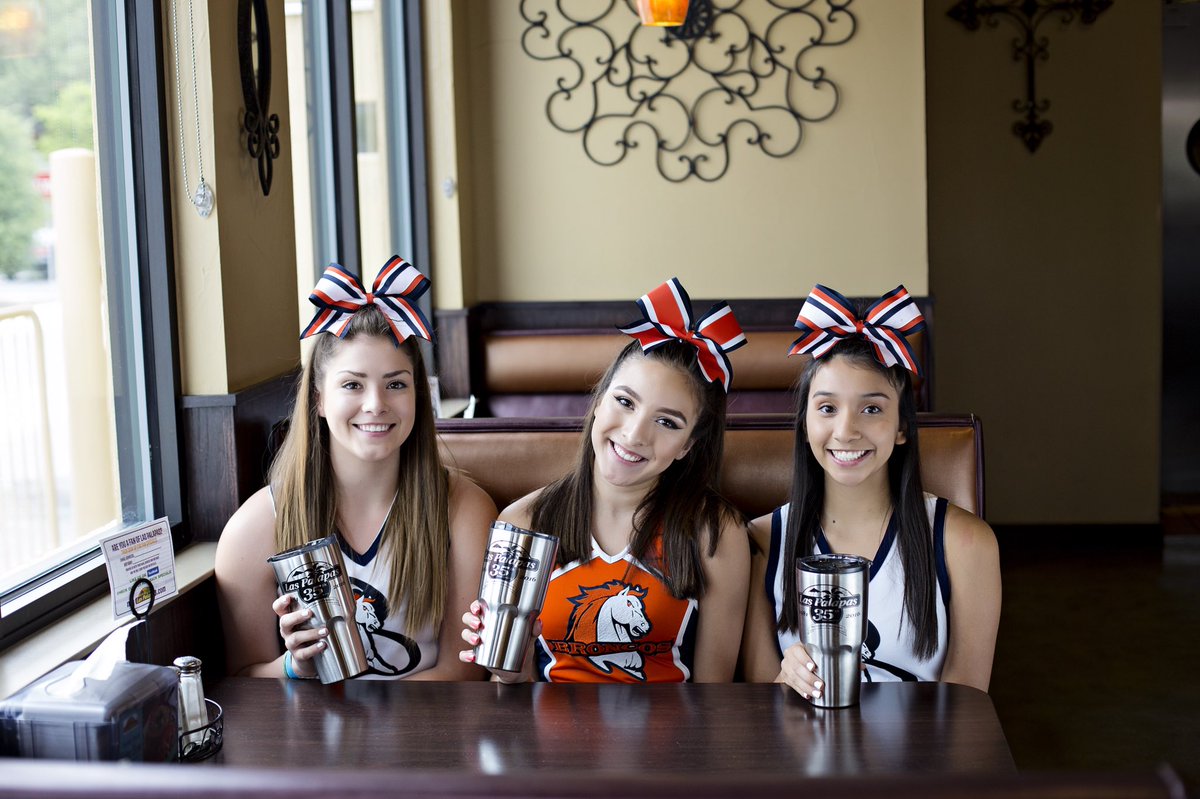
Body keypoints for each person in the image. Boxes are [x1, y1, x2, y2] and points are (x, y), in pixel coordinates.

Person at [215, 257, 495, 680]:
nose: (376, 404)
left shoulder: (465, 510)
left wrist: (379, 740)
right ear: (319, 400)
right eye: (352, 384)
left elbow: (464, 672)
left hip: (427, 739)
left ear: (419, 396)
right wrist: (296, 666)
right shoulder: (251, 530)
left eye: (396, 384)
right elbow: (242, 680)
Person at [459, 278, 751, 682]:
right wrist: (510, 665)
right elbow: (508, 695)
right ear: (598, 403)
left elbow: (713, 695)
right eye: (625, 402)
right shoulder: (522, 522)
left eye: (667, 422)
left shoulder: (716, 533)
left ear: (688, 445)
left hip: (676, 742)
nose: (634, 434)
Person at [741, 285, 1000, 698]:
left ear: (901, 429)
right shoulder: (758, 542)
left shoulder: (967, 544)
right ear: (805, 426)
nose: (846, 431)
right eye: (827, 408)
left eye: (872, 409)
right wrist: (784, 679)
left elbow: (966, 714)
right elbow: (760, 709)